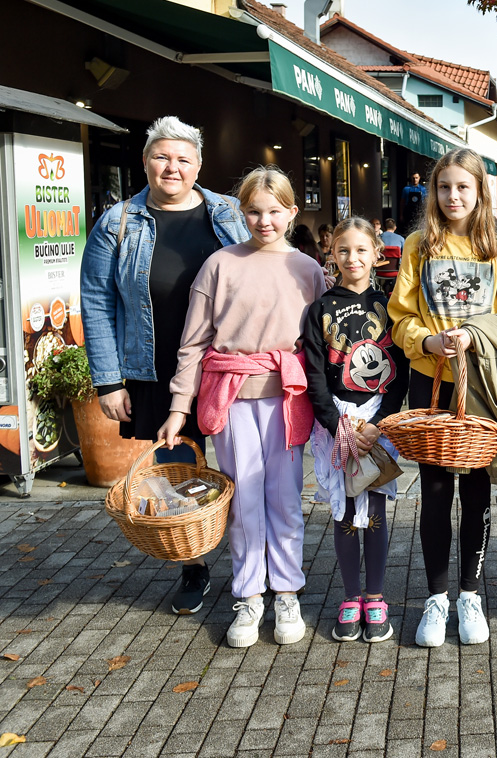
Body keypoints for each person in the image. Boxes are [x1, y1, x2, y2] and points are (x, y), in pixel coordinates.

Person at [80, 115, 250, 616]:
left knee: (242, 463)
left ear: (198, 165)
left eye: (182, 159)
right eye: (161, 157)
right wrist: (108, 381)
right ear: (145, 161)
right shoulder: (118, 222)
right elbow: (96, 301)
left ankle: (255, 562)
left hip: (225, 364)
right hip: (154, 367)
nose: (172, 167)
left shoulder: (228, 213)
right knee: (178, 470)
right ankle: (193, 563)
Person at [158, 166, 327, 648]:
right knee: (244, 499)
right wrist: (178, 407)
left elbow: (323, 343)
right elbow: (193, 342)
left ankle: (287, 591)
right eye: (253, 211)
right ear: (240, 212)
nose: (264, 221)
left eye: (274, 211)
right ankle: (249, 594)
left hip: (288, 398)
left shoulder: (308, 270)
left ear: (292, 212)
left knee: (285, 497)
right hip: (230, 399)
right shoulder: (220, 265)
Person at [388, 148, 497, 647]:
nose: (453, 196)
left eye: (463, 187)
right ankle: (436, 597)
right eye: (444, 187)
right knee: (434, 491)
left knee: (476, 490)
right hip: (431, 382)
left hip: (481, 384)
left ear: (480, 192)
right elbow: (400, 316)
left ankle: (470, 594)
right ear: (433, 191)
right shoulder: (418, 245)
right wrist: (426, 341)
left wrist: (474, 335)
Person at [304, 217, 408, 644]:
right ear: (331, 254)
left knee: (376, 507)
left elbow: (400, 372)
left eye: (362, 250)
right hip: (338, 422)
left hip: (377, 419)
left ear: (377, 254)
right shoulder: (319, 309)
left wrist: (380, 424)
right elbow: (314, 374)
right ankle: (350, 597)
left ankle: (376, 596)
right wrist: (338, 423)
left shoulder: (392, 307)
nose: (353, 258)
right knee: (345, 510)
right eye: (343, 250)